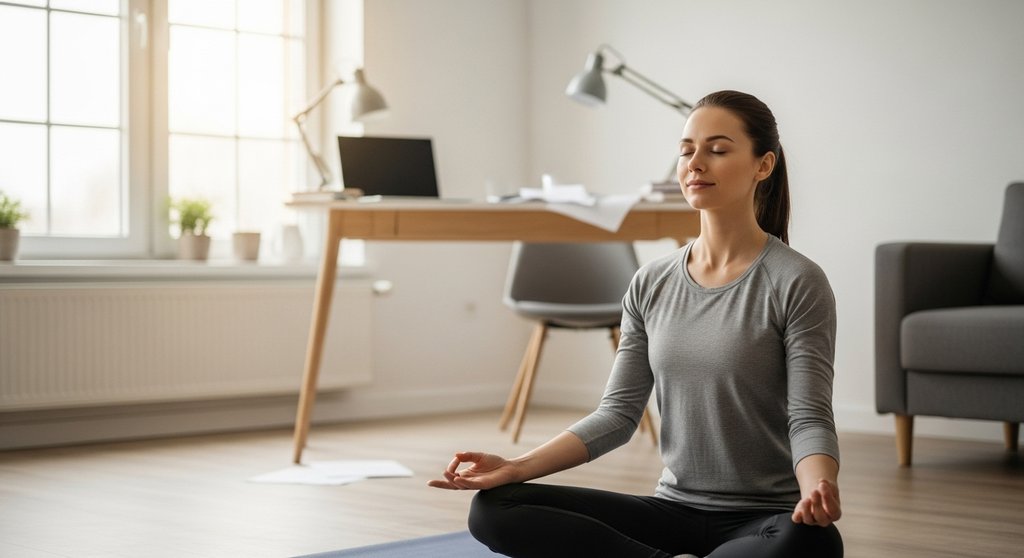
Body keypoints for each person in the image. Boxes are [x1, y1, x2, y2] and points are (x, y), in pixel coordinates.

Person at [429, 90, 844, 558]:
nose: (695, 163)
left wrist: (817, 487)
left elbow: (808, 416)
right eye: (687, 150)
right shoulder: (651, 282)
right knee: (495, 508)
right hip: (670, 513)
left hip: (765, 521)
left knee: (814, 542)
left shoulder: (796, 281)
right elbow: (618, 415)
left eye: (718, 149)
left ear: (762, 165)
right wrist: (516, 467)